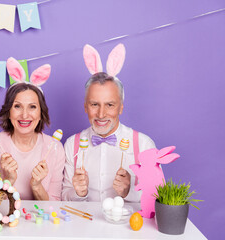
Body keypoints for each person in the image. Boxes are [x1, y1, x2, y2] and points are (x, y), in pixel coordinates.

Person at [62, 44, 156, 202]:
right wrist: (78, 193)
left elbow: (159, 199)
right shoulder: (72, 144)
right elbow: (63, 197)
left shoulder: (144, 145)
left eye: (110, 105)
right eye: (94, 104)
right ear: (85, 107)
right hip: (84, 225)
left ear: (121, 107)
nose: (101, 114)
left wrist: (129, 192)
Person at [0, 57, 65, 201]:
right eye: (17, 106)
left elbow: (54, 204)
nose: (24, 115)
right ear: (8, 111)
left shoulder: (55, 149)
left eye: (32, 107)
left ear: (41, 113)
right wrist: (8, 180)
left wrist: (37, 186)